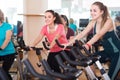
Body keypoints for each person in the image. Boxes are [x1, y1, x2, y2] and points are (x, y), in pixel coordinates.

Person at [63, 1, 120, 80]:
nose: (92, 13)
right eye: (90, 10)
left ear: (101, 12)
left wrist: (88, 44)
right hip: (107, 52)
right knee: (89, 60)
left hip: (117, 54)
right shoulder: (93, 22)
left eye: (94, 10)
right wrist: (67, 43)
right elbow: (82, 33)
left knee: (110, 78)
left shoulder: (108, 21)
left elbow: (99, 34)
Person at [0, 9, 16, 80]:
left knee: (4, 71)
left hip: (8, 53)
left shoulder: (7, 26)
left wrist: (1, 48)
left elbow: (7, 39)